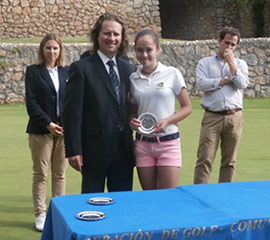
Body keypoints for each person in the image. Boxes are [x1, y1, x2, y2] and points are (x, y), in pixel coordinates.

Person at [63, 13, 136, 193]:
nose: (112, 38)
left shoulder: (129, 69)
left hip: (123, 151)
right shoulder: (81, 68)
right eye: (107, 33)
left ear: (122, 38)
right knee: (93, 206)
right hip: (93, 151)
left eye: (116, 34)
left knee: (122, 206)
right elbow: (72, 113)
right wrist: (73, 150)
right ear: (97, 36)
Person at [129, 27, 192, 190]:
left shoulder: (172, 73)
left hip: (168, 142)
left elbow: (187, 107)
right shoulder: (133, 78)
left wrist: (169, 120)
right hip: (143, 144)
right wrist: (132, 120)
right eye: (139, 50)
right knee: (150, 198)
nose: (144, 55)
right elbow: (134, 109)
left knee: (167, 198)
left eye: (149, 50)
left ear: (158, 49)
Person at [193, 26, 249, 184]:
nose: (229, 47)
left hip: (235, 117)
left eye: (233, 44)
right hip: (212, 116)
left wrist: (231, 63)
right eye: (226, 43)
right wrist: (224, 80)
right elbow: (203, 84)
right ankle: (200, 193)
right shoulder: (205, 63)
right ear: (219, 41)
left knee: (229, 161)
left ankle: (225, 193)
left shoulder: (240, 64)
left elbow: (242, 83)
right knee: (205, 158)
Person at [25, 33, 69, 231]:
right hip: (41, 131)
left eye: (55, 48)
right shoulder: (33, 72)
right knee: (41, 174)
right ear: (42, 50)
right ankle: (40, 214)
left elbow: (71, 101)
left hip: (63, 131)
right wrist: (48, 123)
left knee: (60, 174)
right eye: (48, 48)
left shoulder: (67, 72)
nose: (52, 51)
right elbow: (31, 102)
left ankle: (57, 213)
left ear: (60, 50)